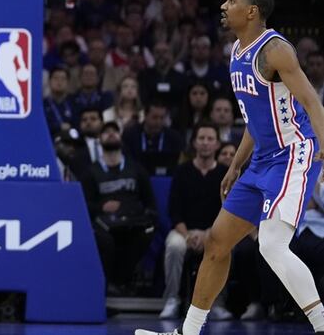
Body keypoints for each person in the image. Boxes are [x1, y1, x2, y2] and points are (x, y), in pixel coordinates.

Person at [138, 0, 324, 335]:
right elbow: (257, 118)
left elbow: (313, 103)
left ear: (251, 11)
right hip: (260, 161)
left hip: (293, 154)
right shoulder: (237, 49)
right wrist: (237, 164)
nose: (223, 5)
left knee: (270, 245)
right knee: (217, 242)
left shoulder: (275, 50)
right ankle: (187, 333)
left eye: (231, 1)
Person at [160, 123, 226, 319]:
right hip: (184, 230)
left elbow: (227, 211)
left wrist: (208, 234)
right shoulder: (182, 171)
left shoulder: (224, 173)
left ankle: (216, 303)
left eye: (210, 139)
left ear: (217, 144)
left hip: (213, 231)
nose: (205, 143)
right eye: (201, 139)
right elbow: (174, 210)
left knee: (223, 247)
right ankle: (172, 299)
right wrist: (188, 235)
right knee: (174, 246)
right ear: (194, 143)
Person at [83, 122, 156, 294]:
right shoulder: (91, 172)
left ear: (120, 136)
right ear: (99, 139)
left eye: (114, 131)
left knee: (146, 234)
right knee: (106, 241)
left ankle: (123, 282)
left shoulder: (136, 169)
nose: (111, 134)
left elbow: (150, 202)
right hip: (103, 224)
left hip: (132, 221)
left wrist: (134, 210)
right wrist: (101, 207)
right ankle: (109, 285)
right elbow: (84, 205)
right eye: (106, 132)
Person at [124, 101, 185, 176]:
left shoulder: (174, 138)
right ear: (145, 116)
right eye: (154, 117)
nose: (158, 122)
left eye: (162, 118)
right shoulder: (130, 135)